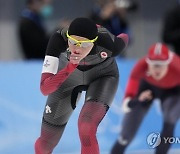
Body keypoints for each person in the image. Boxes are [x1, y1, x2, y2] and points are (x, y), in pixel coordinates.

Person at [35, 17, 128, 154]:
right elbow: (45, 89)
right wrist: (69, 67)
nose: (77, 48)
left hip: (102, 76)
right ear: (67, 38)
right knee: (46, 142)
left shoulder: (108, 44)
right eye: (73, 42)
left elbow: (124, 37)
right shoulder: (58, 40)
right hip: (68, 77)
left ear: (94, 42)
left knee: (86, 127)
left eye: (84, 44)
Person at [111, 43, 180, 154]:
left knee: (170, 120)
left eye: (161, 64)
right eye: (154, 65)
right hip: (147, 90)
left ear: (168, 63)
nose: (157, 69)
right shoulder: (140, 67)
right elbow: (127, 104)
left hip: (172, 92)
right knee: (126, 134)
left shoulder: (177, 66)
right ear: (148, 63)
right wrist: (137, 100)